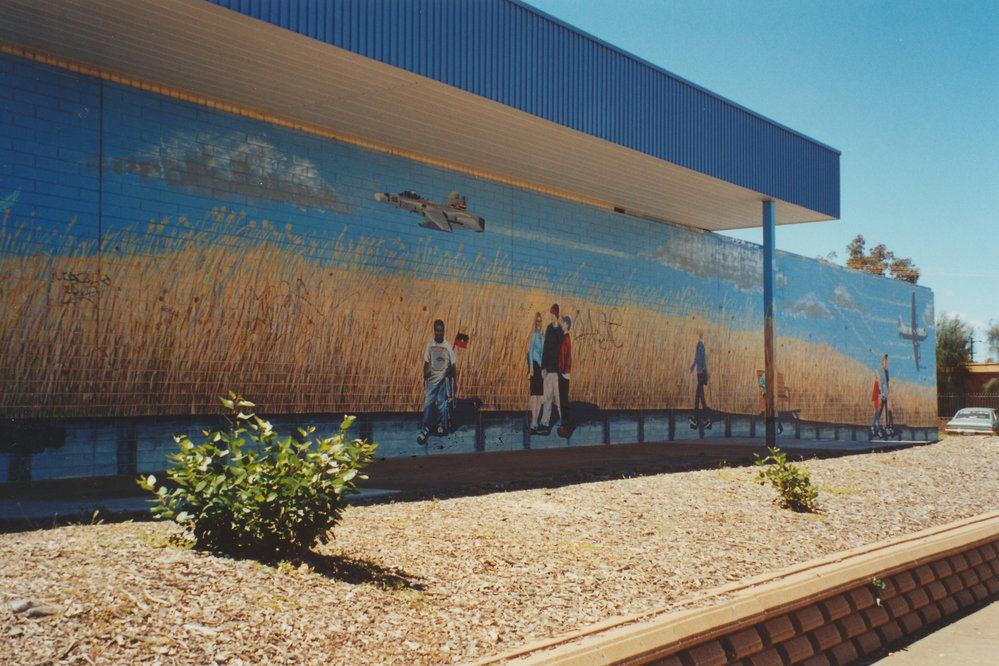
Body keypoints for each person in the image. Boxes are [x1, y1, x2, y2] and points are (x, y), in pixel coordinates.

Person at [418, 319, 456, 445]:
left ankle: (440, 424)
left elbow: (453, 364)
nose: (439, 333)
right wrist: (425, 378)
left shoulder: (447, 346)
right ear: (434, 331)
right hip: (433, 380)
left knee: (441, 404)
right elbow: (426, 362)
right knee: (428, 404)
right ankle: (425, 429)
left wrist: (455, 381)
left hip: (443, 380)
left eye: (441, 331)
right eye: (437, 331)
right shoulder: (430, 344)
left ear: (444, 331)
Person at [538, 304, 564, 434]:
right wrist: (543, 367)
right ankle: (545, 423)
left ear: (556, 315)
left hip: (558, 372)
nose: (551, 316)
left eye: (553, 313)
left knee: (559, 399)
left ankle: (563, 423)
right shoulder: (549, 328)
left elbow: (562, 351)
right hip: (549, 370)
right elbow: (545, 349)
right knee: (547, 398)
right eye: (551, 313)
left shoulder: (560, 330)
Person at [689, 331, 711, 430]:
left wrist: (694, 368)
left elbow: (699, 359)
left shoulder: (699, 346)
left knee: (700, 396)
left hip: (700, 373)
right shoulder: (700, 346)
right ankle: (700, 419)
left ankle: (704, 419)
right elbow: (699, 359)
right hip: (701, 373)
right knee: (699, 396)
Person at [527, 312, 544, 434]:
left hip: (541, 367)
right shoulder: (534, 335)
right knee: (534, 396)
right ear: (535, 322)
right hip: (535, 366)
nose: (539, 323)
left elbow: (543, 353)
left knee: (540, 397)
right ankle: (533, 422)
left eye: (540, 321)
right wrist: (531, 367)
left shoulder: (541, 336)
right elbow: (530, 351)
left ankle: (535, 422)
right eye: (537, 321)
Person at [556, 315, 572, 437]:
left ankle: (565, 425)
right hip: (561, 371)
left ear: (567, 325)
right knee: (561, 399)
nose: (562, 324)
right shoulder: (563, 338)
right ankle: (563, 424)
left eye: (564, 322)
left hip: (564, 372)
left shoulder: (566, 338)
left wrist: (563, 370)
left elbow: (567, 356)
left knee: (563, 400)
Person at [871, 354, 889, 438]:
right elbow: (881, 384)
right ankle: (876, 428)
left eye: (887, 362)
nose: (886, 364)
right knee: (878, 412)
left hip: (884, 394)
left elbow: (885, 384)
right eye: (885, 362)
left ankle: (880, 427)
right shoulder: (881, 372)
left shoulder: (885, 372)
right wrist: (882, 394)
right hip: (881, 395)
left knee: (881, 412)